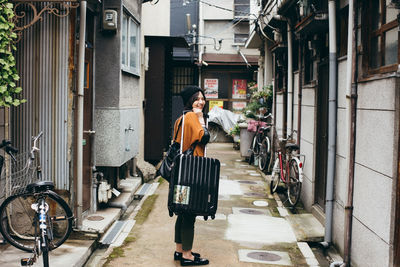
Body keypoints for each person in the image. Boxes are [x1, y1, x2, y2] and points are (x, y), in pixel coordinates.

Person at [172, 85, 210, 266]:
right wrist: (201, 118)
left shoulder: (180, 118)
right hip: (192, 171)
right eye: (197, 99)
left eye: (203, 99)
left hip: (180, 172)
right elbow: (204, 137)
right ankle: (187, 255)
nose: (201, 102)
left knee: (181, 210)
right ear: (190, 101)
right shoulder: (193, 118)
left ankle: (179, 250)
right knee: (190, 212)